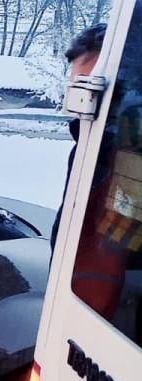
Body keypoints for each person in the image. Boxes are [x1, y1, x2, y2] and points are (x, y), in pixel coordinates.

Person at [53, 24, 129, 320]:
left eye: (88, 87)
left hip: (96, 316)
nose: (80, 102)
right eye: (76, 87)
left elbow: (110, 252)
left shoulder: (120, 158)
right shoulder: (87, 147)